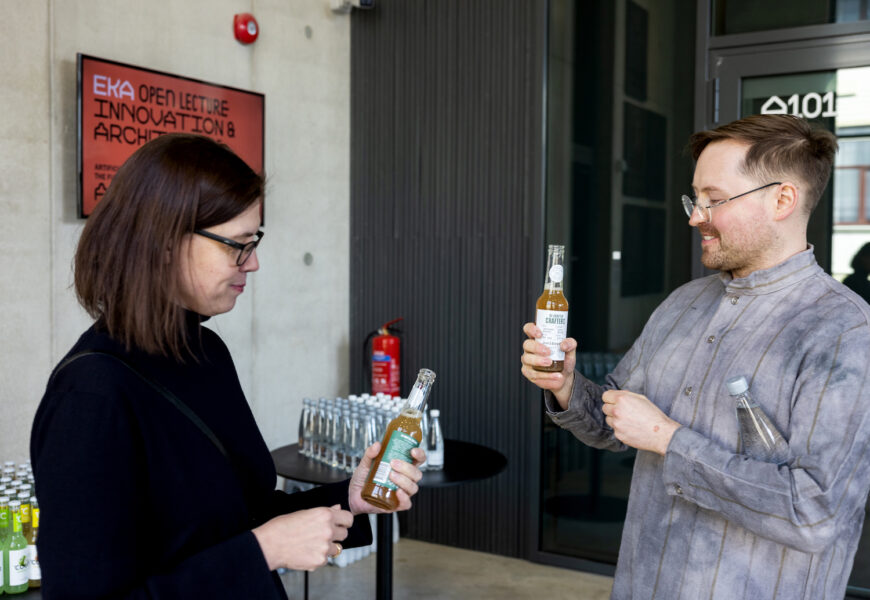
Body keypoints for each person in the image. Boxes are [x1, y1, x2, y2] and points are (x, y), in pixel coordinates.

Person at [31, 133, 424, 599]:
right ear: (164, 242)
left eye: (254, 241)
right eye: (237, 244)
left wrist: (350, 499)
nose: (252, 263)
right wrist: (262, 552)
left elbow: (237, 516)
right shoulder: (91, 396)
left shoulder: (205, 351)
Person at [522, 114, 870, 599]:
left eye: (714, 199)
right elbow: (614, 424)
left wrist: (669, 439)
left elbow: (814, 513)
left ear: (782, 200)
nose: (694, 216)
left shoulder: (845, 331)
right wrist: (565, 386)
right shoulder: (684, 303)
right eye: (695, 198)